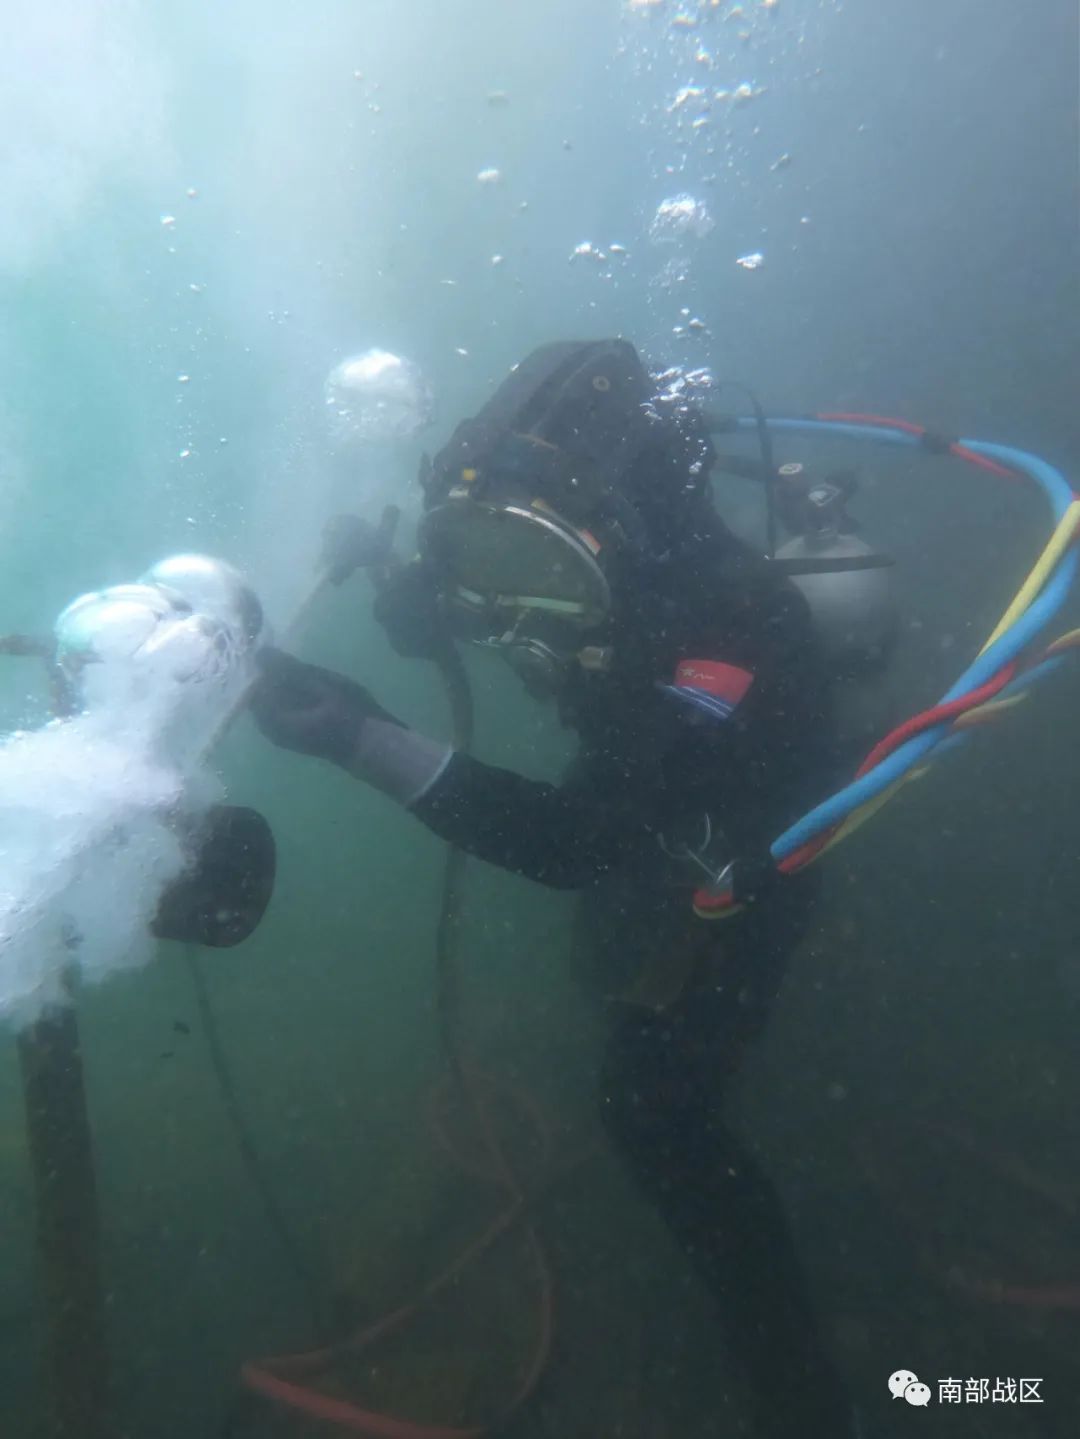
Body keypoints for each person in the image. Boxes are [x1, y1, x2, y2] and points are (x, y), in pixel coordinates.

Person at [252, 340, 859, 1436]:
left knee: (651, 1110)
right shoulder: (564, 544)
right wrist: (397, 574)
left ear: (615, 516)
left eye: (533, 550)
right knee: (599, 964)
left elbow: (586, 840)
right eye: (480, 534)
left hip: (746, 838)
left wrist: (360, 738)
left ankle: (805, 1392)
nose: (508, 590)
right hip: (638, 787)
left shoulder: (731, 614)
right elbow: (445, 610)